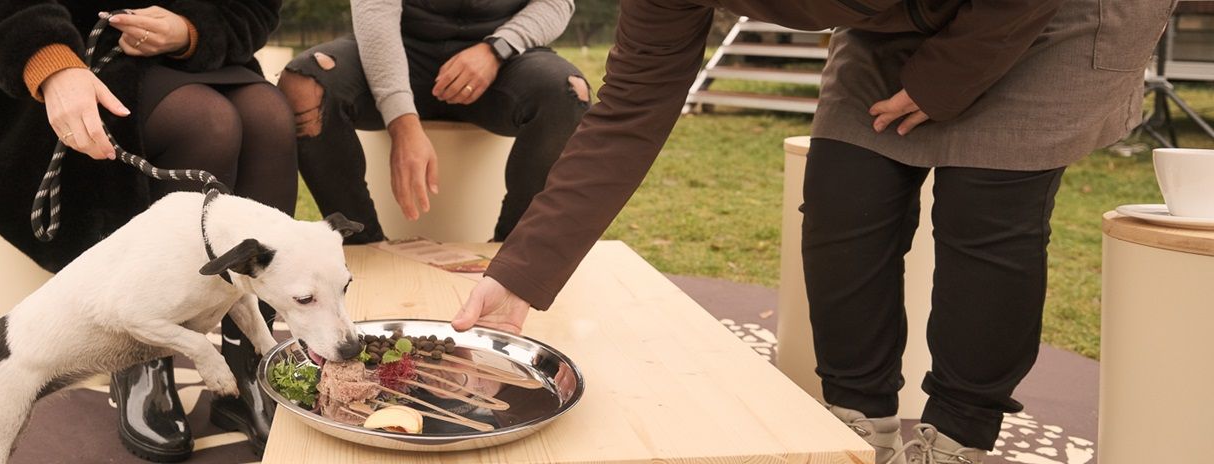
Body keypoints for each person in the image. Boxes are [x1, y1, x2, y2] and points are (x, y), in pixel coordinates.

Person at [447, 0, 1172, 462]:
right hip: (896, 15)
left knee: (987, 213)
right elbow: (631, 108)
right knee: (844, 197)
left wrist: (942, 82)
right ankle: (859, 422)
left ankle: (960, 435)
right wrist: (520, 274)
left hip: (1046, 14)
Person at [0, 0, 295, 459]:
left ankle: (250, 365)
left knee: (268, 117)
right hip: (42, 49)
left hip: (185, 56)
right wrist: (49, 62)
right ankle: (143, 359)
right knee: (208, 124)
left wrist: (191, 30)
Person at [278, 0, 590, 244]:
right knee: (304, 86)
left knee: (569, 91)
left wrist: (497, 48)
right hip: (397, 53)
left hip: (502, 61)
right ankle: (362, 245)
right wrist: (402, 121)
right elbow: (375, 12)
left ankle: (512, 255)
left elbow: (556, 3)